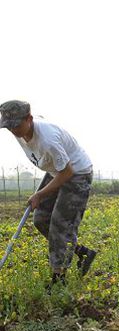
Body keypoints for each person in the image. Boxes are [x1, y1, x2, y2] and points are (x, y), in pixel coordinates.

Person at [0, 100, 97, 287]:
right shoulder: (21, 131)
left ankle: (58, 280)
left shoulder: (48, 139)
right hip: (56, 171)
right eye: (8, 127)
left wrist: (39, 194)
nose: (13, 131)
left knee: (61, 225)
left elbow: (67, 172)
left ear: (29, 119)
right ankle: (82, 253)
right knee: (41, 220)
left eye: (16, 126)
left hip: (77, 173)